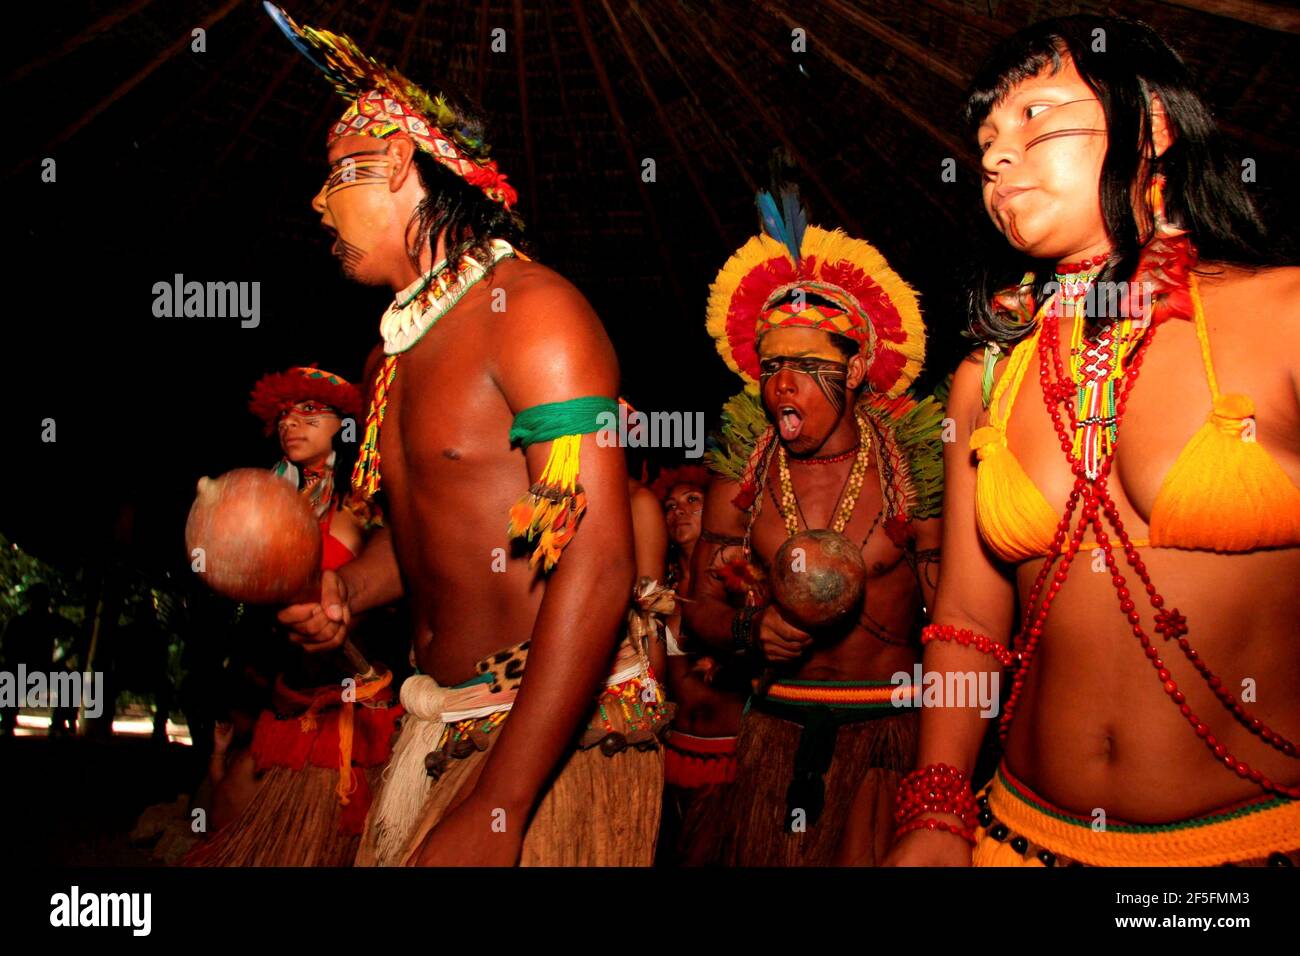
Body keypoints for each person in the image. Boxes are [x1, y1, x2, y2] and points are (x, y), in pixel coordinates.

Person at [887, 15, 1300, 868]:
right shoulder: (989, 378)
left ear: (1152, 125)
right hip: (1015, 839)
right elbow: (964, 618)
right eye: (988, 141)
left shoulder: (1288, 315)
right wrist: (935, 811)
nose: (998, 157)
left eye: (1035, 117)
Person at [262, 4, 667, 867]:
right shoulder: (390, 351)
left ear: (401, 160)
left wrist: (502, 805)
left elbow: (597, 560)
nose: (319, 200)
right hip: (436, 722)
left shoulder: (534, 314)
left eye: (337, 174)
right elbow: (424, 545)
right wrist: (345, 595)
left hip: (547, 745)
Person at [685, 189, 945, 866]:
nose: (782, 387)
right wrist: (750, 629)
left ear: (857, 368)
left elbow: (961, 623)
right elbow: (697, 613)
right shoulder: (741, 476)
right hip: (775, 727)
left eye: (807, 367)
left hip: (889, 735)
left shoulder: (914, 474)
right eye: (772, 368)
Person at [188, 365, 402, 866]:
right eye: (284, 415)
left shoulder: (364, 507)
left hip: (359, 699)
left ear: (343, 426)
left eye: (309, 412)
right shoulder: (263, 503)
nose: (292, 423)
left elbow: (404, 574)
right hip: (287, 695)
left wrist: (353, 599)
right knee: (226, 825)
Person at [651, 465, 747, 865]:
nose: (680, 512)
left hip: (727, 758)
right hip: (672, 756)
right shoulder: (658, 588)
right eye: (670, 506)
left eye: (693, 501)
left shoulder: (741, 583)